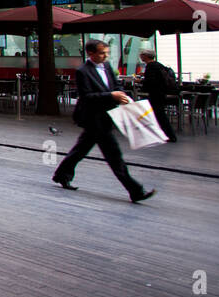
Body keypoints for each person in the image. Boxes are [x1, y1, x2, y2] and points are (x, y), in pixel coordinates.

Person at [52, 39, 155, 202]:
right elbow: (86, 96)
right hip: (94, 118)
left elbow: (115, 85)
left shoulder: (107, 67)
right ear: (90, 53)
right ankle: (135, 190)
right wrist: (111, 95)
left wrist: (120, 94)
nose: (105, 56)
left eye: (106, 53)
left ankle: (61, 174)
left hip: (106, 116)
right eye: (101, 53)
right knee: (114, 155)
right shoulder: (82, 71)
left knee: (81, 149)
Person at [137, 49, 178, 143]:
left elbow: (151, 81)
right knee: (159, 115)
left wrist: (141, 81)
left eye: (142, 55)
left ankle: (169, 135)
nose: (140, 57)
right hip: (162, 93)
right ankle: (165, 134)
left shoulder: (150, 66)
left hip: (155, 94)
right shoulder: (158, 65)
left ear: (146, 56)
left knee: (160, 115)